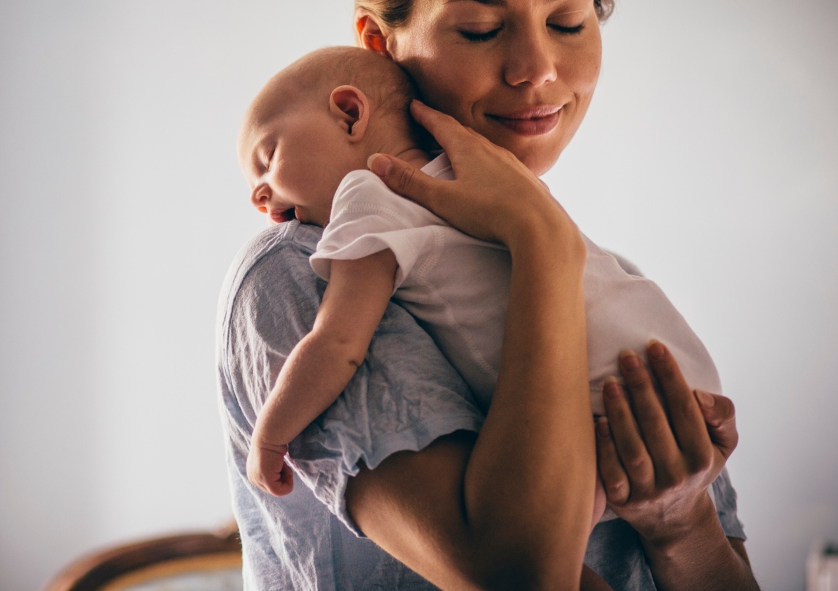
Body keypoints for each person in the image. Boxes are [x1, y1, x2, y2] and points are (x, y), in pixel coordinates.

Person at [216, 0, 760, 590]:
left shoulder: (611, 290)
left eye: (569, 20)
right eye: (479, 28)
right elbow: (520, 574)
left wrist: (681, 525)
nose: (537, 70)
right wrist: (541, 242)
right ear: (380, 44)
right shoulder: (302, 268)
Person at [236, 46, 722, 511]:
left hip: (605, 387)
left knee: (541, 547)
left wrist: (271, 434)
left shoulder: (368, 194)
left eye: (268, 157)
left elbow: (338, 342)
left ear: (348, 113)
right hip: (673, 365)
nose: (260, 196)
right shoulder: (491, 177)